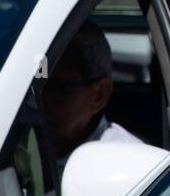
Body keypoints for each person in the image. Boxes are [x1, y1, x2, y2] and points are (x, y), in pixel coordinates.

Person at [42, 21, 142, 162]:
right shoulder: (8, 145)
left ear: (99, 96)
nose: (40, 101)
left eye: (56, 89)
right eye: (33, 89)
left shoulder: (125, 163)